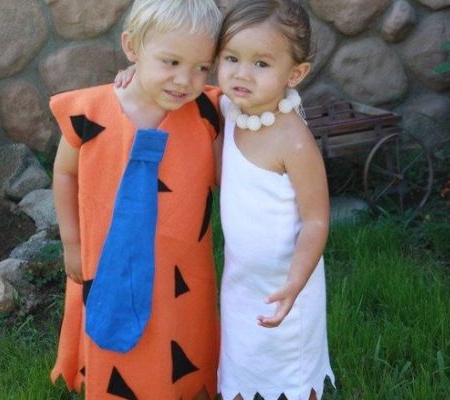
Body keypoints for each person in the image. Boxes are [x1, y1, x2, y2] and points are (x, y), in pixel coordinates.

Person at [50, 0, 222, 399]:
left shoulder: (208, 112)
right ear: (132, 47)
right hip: (104, 254)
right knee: (112, 317)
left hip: (181, 265)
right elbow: (64, 172)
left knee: (177, 324)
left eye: (201, 67)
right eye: (170, 62)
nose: (185, 80)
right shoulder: (92, 112)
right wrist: (72, 244)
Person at [216, 1, 334, 399]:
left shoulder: (293, 140)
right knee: (241, 366)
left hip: (288, 285)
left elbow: (316, 220)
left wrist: (296, 282)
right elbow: (175, 83)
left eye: (261, 64)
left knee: (291, 374)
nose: (241, 73)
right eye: (231, 58)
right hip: (240, 282)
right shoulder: (229, 109)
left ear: (294, 74)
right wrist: (133, 71)